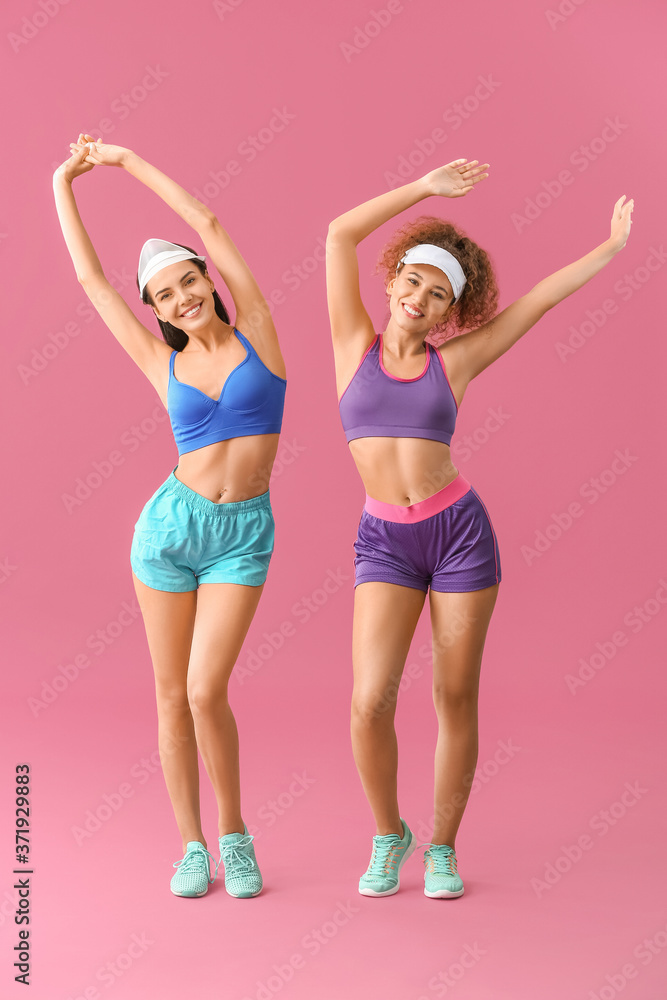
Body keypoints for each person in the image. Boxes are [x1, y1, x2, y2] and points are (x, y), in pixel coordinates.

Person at [326, 157, 633, 898]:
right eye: (413, 283)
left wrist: (610, 249)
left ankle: (441, 848)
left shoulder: (454, 364)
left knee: (453, 696)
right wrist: (423, 189)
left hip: (458, 536)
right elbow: (338, 234)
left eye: (437, 296)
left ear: (446, 313)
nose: (419, 299)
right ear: (392, 279)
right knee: (368, 700)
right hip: (385, 541)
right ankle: (387, 834)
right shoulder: (350, 347)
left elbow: (535, 304)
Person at [53, 135, 288, 899]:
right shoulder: (163, 363)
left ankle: (234, 834)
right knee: (169, 693)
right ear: (156, 310)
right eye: (165, 294)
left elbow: (210, 221)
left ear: (206, 284)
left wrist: (123, 162)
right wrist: (65, 182)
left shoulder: (258, 332)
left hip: (241, 534)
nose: (183, 296)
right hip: (168, 533)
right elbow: (91, 283)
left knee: (203, 690)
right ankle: (191, 848)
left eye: (190, 281)